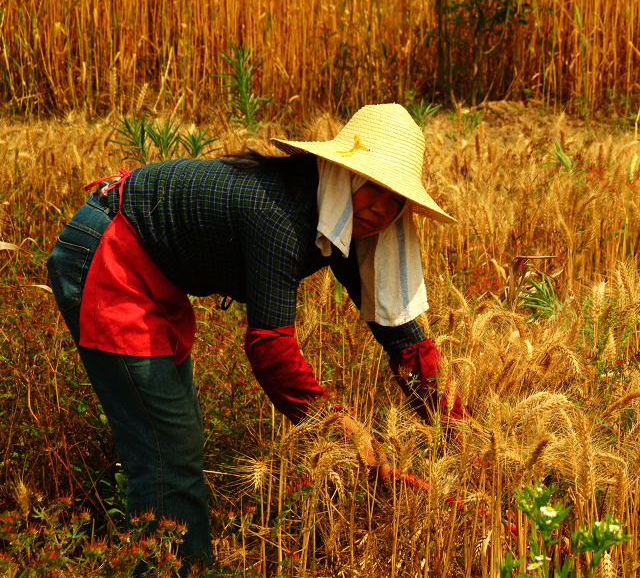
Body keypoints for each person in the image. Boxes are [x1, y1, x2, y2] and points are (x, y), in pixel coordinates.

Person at [46, 103, 464, 571]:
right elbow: (271, 348)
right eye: (373, 188)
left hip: (154, 274)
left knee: (173, 442)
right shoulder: (280, 212)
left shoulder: (345, 221)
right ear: (343, 174)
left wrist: (458, 433)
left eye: (395, 200)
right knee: (169, 448)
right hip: (109, 258)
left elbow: (401, 336)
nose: (381, 209)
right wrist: (340, 425)